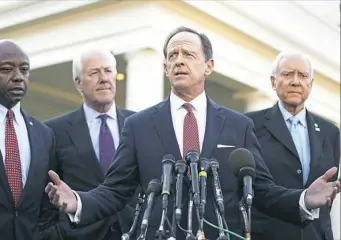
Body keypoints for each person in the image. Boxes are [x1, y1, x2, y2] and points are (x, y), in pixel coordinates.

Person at [45, 27, 341, 240]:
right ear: (164, 67)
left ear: (208, 66)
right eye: (172, 55)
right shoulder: (139, 125)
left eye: (188, 53)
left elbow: (261, 191)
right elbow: (115, 190)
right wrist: (78, 202)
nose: (179, 60)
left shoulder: (239, 126)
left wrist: (302, 199)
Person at [43, 49, 136, 240]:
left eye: (108, 71)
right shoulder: (52, 131)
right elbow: (44, 195)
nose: (104, 78)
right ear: (78, 83)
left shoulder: (139, 124)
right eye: (94, 73)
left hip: (134, 232)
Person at [245, 53, 340, 240]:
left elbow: (327, 196)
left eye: (303, 76)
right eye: (288, 74)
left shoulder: (331, 133)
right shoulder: (249, 125)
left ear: (310, 84)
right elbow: (254, 189)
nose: (296, 81)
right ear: (273, 82)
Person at [0, 40, 59, 240]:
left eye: (24, 69)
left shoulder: (44, 134)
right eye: (6, 69)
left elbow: (47, 202)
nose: (18, 77)